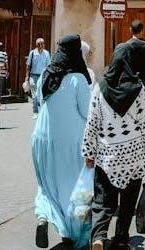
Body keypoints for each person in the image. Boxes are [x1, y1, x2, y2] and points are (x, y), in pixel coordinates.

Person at [83, 43, 145, 250]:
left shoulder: (100, 87)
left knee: (103, 200)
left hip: (106, 155)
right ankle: (121, 239)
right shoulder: (138, 88)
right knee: (128, 201)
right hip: (133, 156)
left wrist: (89, 152)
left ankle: (99, 236)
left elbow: (92, 122)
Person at [31, 34, 92, 249]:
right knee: (72, 187)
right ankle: (71, 234)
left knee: (47, 185)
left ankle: (43, 216)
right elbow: (88, 113)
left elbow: (39, 102)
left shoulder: (46, 75)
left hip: (42, 138)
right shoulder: (78, 79)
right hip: (70, 142)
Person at [26, 38, 51, 118]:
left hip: (43, 76)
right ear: (36, 45)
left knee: (42, 94)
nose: (41, 45)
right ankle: (35, 112)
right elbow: (28, 65)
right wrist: (27, 76)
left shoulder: (46, 53)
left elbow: (48, 65)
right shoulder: (32, 53)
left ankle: (42, 111)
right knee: (35, 95)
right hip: (33, 76)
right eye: (39, 44)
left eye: (42, 43)